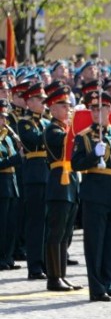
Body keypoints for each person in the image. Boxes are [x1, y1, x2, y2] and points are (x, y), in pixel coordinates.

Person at [71, 91, 111, 302]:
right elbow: (76, 164)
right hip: (95, 194)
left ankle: (109, 284)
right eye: (94, 108)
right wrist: (93, 155)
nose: (98, 112)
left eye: (102, 108)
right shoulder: (84, 136)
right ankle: (97, 288)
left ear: (110, 110)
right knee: (95, 244)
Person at [43, 82, 83, 291]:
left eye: (69, 105)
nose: (69, 109)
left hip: (71, 185)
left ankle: (62, 274)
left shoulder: (66, 129)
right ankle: (53, 277)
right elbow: (69, 142)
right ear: (53, 108)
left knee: (66, 233)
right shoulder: (52, 130)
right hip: (59, 184)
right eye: (64, 105)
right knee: (56, 232)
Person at [16, 81, 49, 280]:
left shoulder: (46, 122)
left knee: (47, 222)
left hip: (48, 175)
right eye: (40, 100)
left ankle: (46, 262)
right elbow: (36, 140)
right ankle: (35, 266)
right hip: (35, 175)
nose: (44, 104)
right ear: (29, 102)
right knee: (36, 223)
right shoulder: (24, 122)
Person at [0, 99, 22, 271]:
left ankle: (8, 257)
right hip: (1, 185)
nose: (3, 121)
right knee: (2, 224)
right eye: (0, 117)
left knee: (11, 224)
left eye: (4, 117)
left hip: (11, 184)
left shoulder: (6, 138)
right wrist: (17, 158)